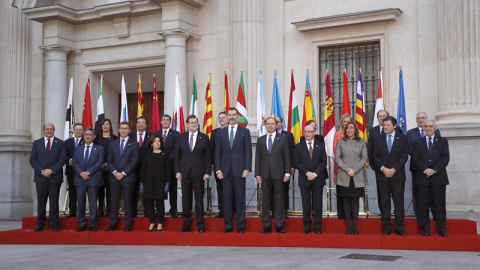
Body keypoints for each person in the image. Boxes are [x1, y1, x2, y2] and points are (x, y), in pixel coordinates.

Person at [215, 107, 252, 233]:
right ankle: (228, 226)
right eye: (229, 115)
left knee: (240, 199)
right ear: (226, 116)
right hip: (224, 171)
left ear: (237, 116)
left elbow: (248, 152)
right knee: (227, 199)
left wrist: (247, 168)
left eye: (233, 115)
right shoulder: (220, 133)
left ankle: (240, 227)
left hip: (240, 171)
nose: (231, 117)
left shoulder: (244, 132)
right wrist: (218, 170)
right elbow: (217, 153)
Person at [412, 119, 449, 237]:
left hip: (438, 178)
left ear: (435, 128)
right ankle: (425, 229)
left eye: (430, 126)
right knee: (423, 205)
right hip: (422, 178)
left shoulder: (443, 141)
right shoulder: (418, 142)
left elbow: (445, 158)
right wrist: (425, 169)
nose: (428, 128)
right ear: (423, 128)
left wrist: (434, 170)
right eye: (426, 126)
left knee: (439, 205)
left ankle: (441, 228)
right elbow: (415, 159)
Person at [373, 116, 409, 236]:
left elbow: (404, 156)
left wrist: (394, 169)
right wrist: (383, 169)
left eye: (388, 125)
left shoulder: (403, 138)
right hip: (382, 176)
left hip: (397, 175)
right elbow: (375, 155)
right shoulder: (378, 138)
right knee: (384, 202)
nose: (385, 127)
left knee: (398, 202)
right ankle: (386, 228)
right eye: (384, 125)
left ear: (394, 126)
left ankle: (400, 227)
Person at [175, 115, 211, 233]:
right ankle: (186, 224)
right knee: (186, 200)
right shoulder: (181, 137)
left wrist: (207, 172)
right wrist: (177, 171)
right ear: (187, 124)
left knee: (199, 200)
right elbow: (177, 156)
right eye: (191, 123)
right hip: (184, 173)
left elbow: (207, 157)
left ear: (198, 123)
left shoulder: (204, 137)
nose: (193, 124)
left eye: (195, 122)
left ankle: (200, 224)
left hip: (199, 173)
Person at [255, 117, 290, 233]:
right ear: (265, 125)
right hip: (264, 175)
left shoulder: (283, 139)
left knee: (279, 200)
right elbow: (258, 158)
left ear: (277, 125)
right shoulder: (260, 140)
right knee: (265, 201)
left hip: (279, 174)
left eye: (272, 124)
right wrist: (257, 174)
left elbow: (287, 157)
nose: (270, 126)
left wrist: (287, 172)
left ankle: (280, 225)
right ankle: (266, 225)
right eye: (268, 124)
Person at [29, 123, 66, 232]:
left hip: (55, 177)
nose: (49, 131)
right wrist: (41, 170)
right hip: (41, 177)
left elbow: (62, 159)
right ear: (43, 130)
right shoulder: (37, 143)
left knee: (54, 202)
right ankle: (40, 224)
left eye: (51, 129)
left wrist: (52, 170)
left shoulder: (60, 143)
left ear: (54, 130)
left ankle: (54, 224)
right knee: (41, 201)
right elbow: (33, 160)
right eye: (47, 129)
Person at [335, 122, 368, 235]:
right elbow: (337, 158)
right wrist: (347, 169)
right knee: (346, 201)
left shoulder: (361, 142)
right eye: (347, 128)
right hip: (344, 176)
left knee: (355, 201)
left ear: (355, 130)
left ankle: (355, 226)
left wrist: (354, 169)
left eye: (351, 128)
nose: (349, 130)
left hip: (357, 175)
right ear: (345, 130)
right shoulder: (341, 142)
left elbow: (364, 158)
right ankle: (348, 227)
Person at [294, 124, 327, 234]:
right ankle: (307, 227)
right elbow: (297, 162)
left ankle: (317, 227)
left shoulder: (321, 145)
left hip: (318, 178)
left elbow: (323, 162)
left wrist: (315, 173)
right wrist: (307, 173)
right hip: (304, 178)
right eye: (305, 131)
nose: (307, 133)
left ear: (314, 133)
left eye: (309, 131)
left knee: (317, 204)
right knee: (306, 204)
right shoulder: (299, 146)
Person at [407, 112, 441, 218]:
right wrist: (423, 165)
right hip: (417, 168)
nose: (420, 120)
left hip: (433, 168)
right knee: (418, 193)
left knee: (434, 193)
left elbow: (438, 148)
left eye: (422, 118)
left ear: (426, 119)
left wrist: (430, 164)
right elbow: (410, 149)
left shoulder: (437, 132)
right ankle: (419, 215)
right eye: (418, 118)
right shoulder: (411, 133)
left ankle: (435, 215)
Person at [106, 121, 139, 231]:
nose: (123, 130)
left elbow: (134, 161)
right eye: (121, 128)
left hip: (128, 177)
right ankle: (112, 224)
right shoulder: (112, 144)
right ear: (119, 130)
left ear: (129, 130)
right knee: (113, 201)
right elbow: (109, 160)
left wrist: (123, 173)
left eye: (126, 128)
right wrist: (115, 172)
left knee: (128, 202)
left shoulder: (134, 144)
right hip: (114, 177)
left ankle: (128, 224)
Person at [73, 128, 105, 232]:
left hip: (93, 179)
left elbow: (100, 162)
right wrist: (81, 173)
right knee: (81, 203)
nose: (87, 136)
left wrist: (88, 172)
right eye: (85, 134)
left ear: (94, 137)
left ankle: (93, 224)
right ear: (83, 136)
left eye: (90, 135)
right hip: (80, 179)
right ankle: (81, 224)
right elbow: (75, 162)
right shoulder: (78, 148)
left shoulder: (99, 148)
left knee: (92, 203)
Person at [140, 135, 171, 232]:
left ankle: (160, 223)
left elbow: (168, 171)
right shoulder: (147, 155)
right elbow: (143, 170)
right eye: (155, 141)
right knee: (149, 203)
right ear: (151, 143)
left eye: (159, 141)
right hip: (148, 182)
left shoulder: (165, 155)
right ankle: (152, 222)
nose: (157, 143)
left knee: (160, 203)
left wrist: (167, 183)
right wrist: (141, 182)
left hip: (160, 182)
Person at [94, 118, 118, 217]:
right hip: (98, 168)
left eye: (107, 124)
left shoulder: (115, 138)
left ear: (110, 126)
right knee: (99, 189)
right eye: (103, 124)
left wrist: (109, 164)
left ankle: (109, 209)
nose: (105, 126)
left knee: (110, 190)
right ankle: (100, 208)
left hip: (111, 168)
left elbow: (116, 154)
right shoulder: (96, 138)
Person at [129, 116, 152, 217]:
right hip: (132, 168)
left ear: (146, 125)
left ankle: (148, 213)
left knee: (147, 191)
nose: (141, 124)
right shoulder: (130, 136)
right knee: (133, 191)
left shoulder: (152, 136)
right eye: (139, 122)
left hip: (147, 168)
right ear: (136, 125)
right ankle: (133, 213)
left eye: (143, 122)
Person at [157, 114, 180, 218]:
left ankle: (173, 210)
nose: (165, 122)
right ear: (161, 122)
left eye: (167, 120)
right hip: (159, 167)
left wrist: (166, 158)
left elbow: (177, 150)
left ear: (170, 122)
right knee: (158, 189)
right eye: (163, 120)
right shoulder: (156, 134)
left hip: (171, 166)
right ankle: (159, 210)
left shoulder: (176, 134)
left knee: (172, 190)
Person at [274, 116, 295, 217]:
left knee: (284, 190)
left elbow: (292, 151)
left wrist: (291, 166)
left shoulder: (288, 135)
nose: (275, 124)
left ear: (281, 123)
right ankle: (273, 211)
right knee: (272, 191)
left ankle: (284, 211)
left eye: (277, 122)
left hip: (284, 168)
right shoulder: (269, 135)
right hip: (272, 169)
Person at [210, 112, 228, 218]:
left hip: (231, 166)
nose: (221, 119)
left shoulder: (233, 131)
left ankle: (232, 210)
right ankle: (222, 210)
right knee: (220, 189)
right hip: (219, 166)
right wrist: (213, 164)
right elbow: (212, 149)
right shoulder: (215, 132)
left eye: (223, 117)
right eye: (219, 118)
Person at [64, 123, 84, 218]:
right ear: (73, 130)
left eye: (80, 130)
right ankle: (72, 212)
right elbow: (64, 155)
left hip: (83, 172)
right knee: (72, 192)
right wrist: (70, 160)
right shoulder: (67, 142)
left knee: (83, 193)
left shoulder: (86, 141)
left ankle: (82, 212)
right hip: (71, 171)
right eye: (77, 129)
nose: (78, 131)